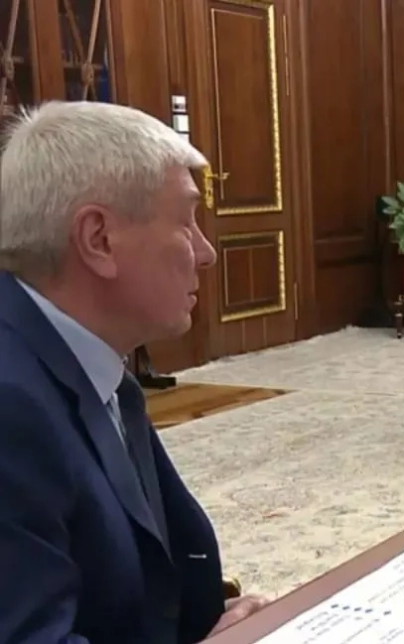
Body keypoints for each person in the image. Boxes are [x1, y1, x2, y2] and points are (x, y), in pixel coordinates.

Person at [0, 101, 269, 643]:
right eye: (185, 221)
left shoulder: (93, 361)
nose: (206, 252)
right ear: (99, 239)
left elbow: (152, 585)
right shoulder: (11, 404)